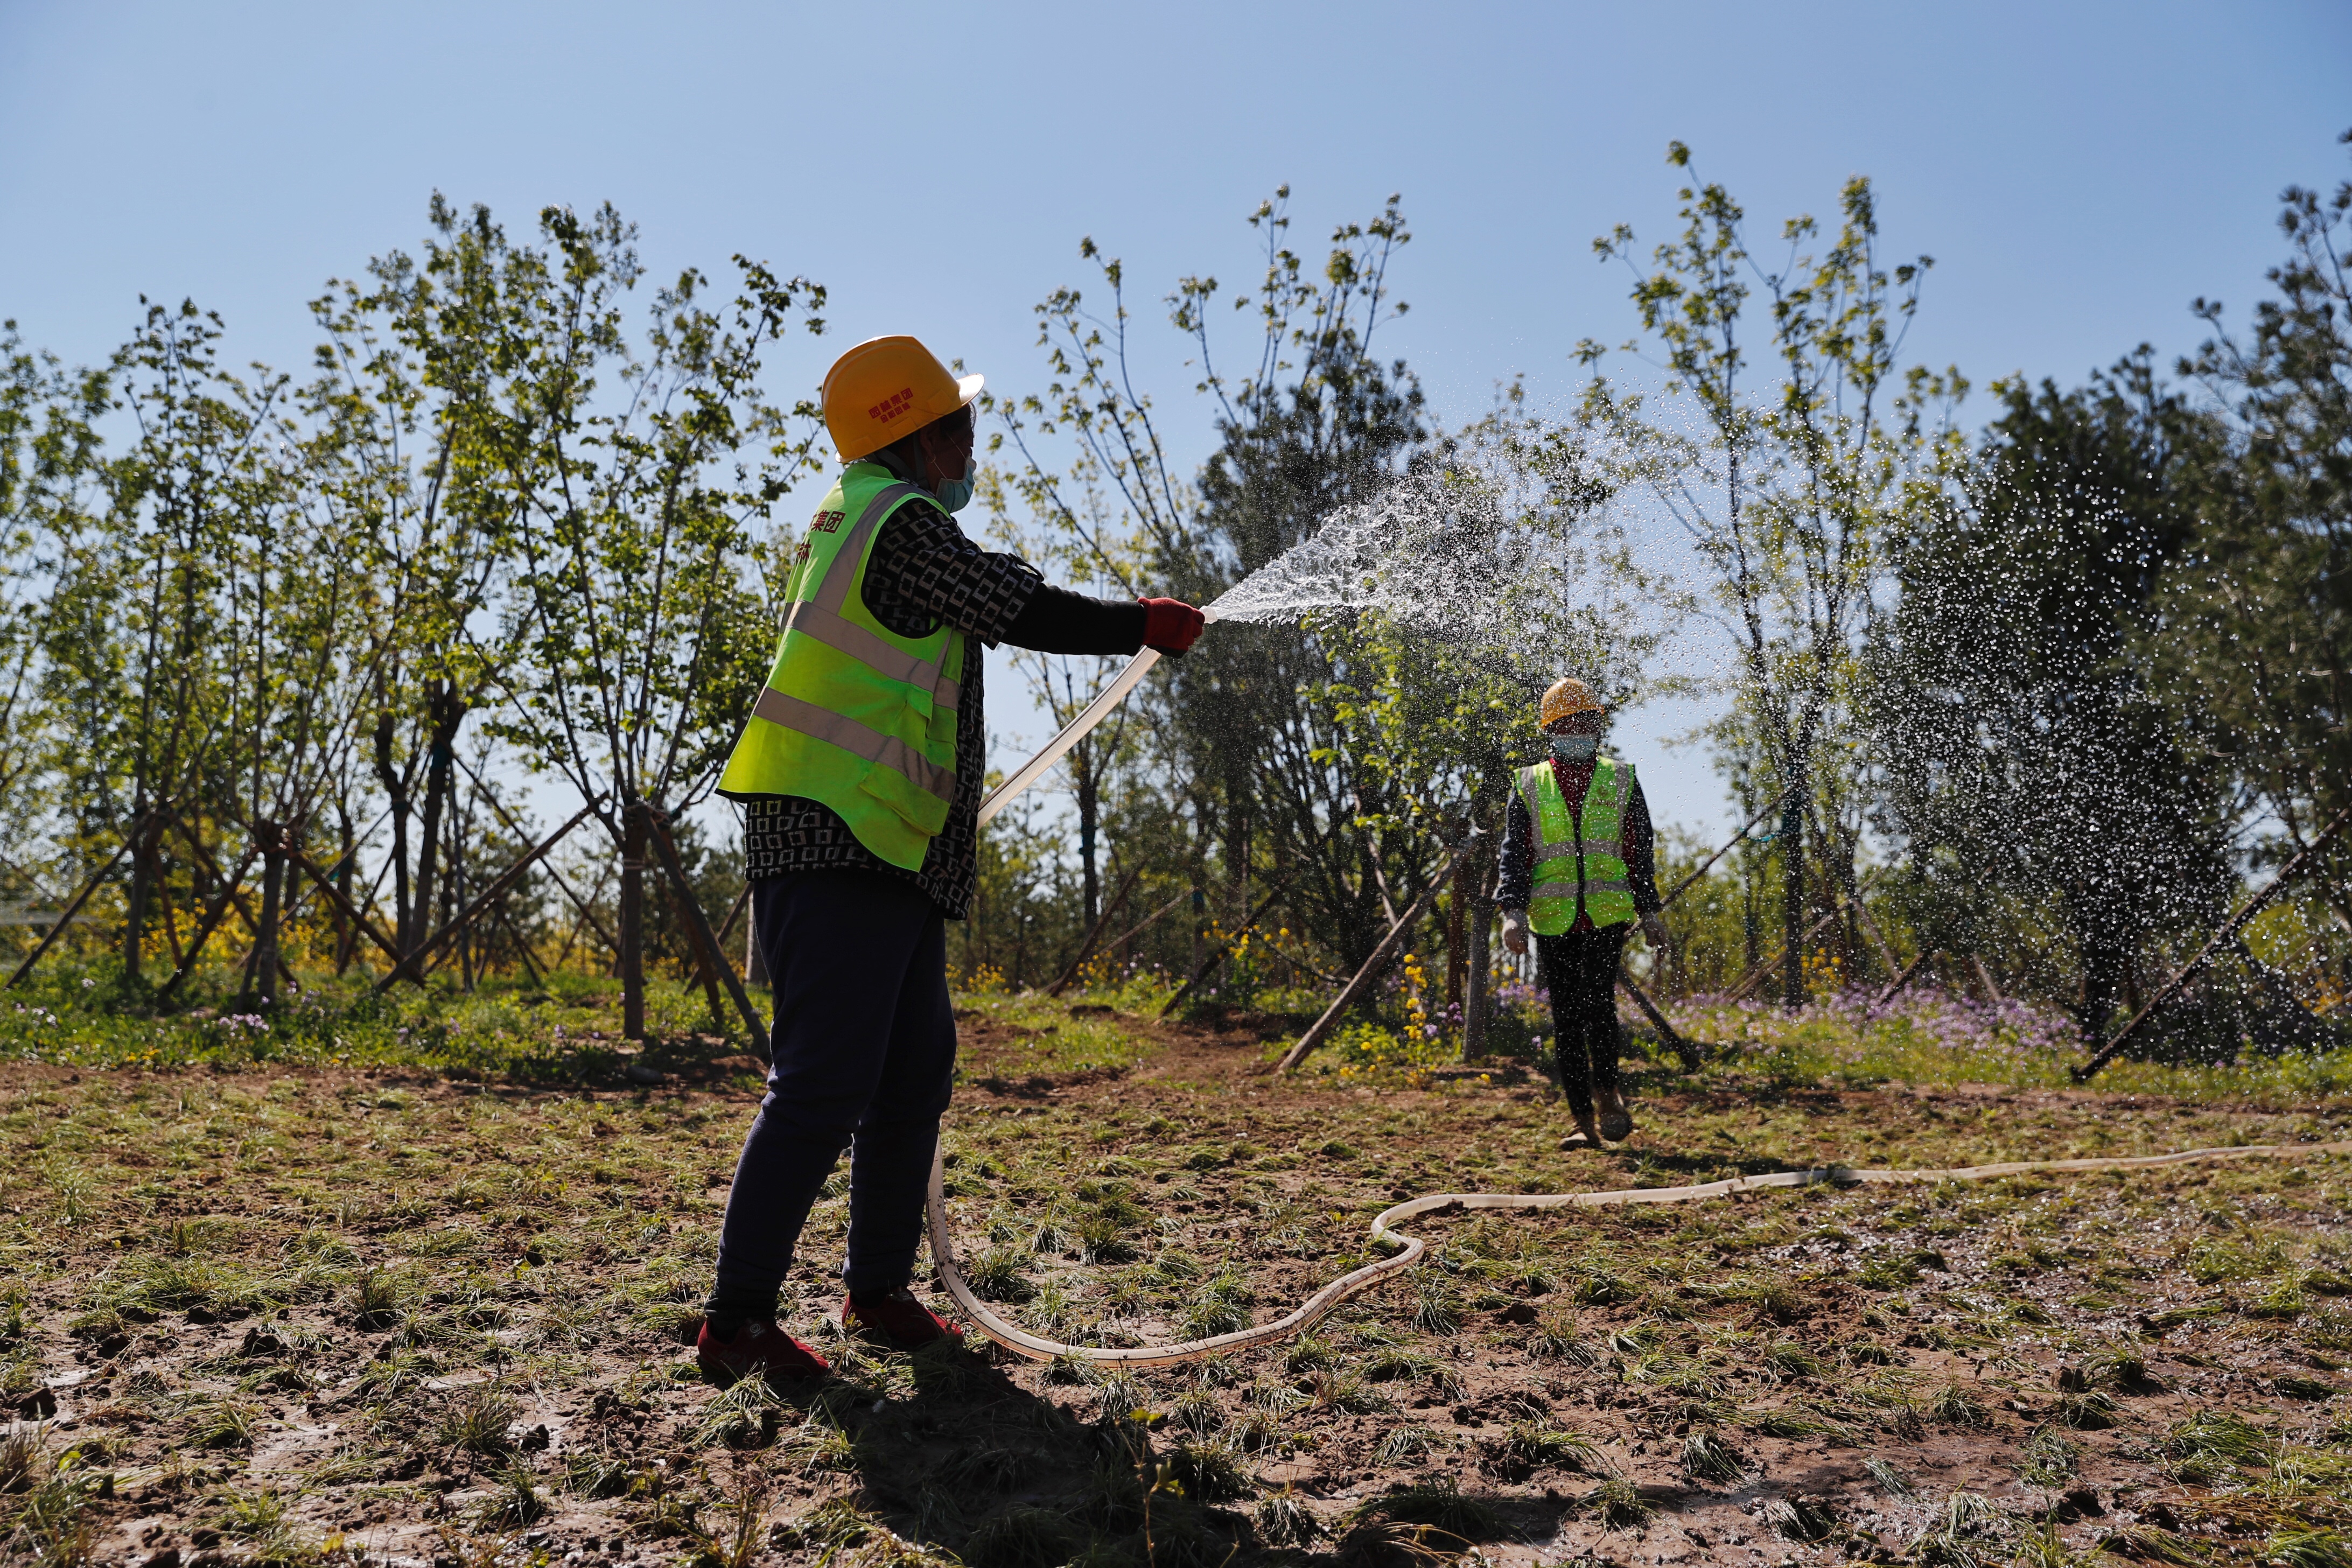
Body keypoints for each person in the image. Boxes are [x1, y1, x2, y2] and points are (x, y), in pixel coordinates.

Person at [697, 335, 1206, 1382]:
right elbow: (1007, 606)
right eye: (961, 427)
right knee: (823, 1084)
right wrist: (1140, 624)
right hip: (839, 836)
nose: (975, 444)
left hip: (883, 844)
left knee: (912, 1070)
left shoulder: (868, 518)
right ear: (915, 435)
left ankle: (877, 1288)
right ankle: (736, 1318)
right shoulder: (899, 522)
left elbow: (978, 591)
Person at [1494, 677, 1669, 1148]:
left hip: (1606, 916)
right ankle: (1582, 1122)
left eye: (1587, 722)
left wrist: (1650, 911)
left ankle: (1609, 1094)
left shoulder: (1622, 779)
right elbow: (1515, 855)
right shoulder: (1529, 783)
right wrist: (1511, 911)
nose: (1580, 730)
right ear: (1552, 730)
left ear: (1598, 727)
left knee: (1600, 1009)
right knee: (1567, 1020)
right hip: (1553, 918)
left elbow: (1640, 852)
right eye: (1569, 724)